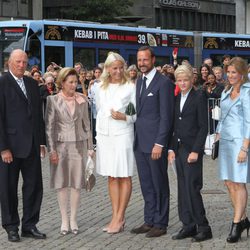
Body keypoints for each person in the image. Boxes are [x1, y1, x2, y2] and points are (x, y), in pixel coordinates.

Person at [0, 49, 46, 242]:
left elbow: (38, 116)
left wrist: (42, 142)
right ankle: (11, 227)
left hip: (33, 146)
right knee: (8, 189)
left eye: (24, 62)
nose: (21, 65)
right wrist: (3, 148)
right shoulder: (2, 83)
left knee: (34, 187)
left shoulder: (32, 83)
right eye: (18, 62)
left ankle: (29, 225)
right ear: (9, 62)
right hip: (10, 148)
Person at [131, 46, 174, 238]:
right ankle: (149, 220)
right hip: (140, 143)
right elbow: (138, 112)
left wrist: (160, 143)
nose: (142, 63)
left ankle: (161, 222)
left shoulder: (163, 83)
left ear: (153, 60)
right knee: (146, 185)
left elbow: (166, 117)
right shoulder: (139, 81)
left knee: (159, 184)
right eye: (139, 60)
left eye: (145, 60)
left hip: (155, 144)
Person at [45, 67, 93, 236]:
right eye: (70, 82)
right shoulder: (52, 100)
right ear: (62, 83)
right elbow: (49, 128)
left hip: (79, 146)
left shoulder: (83, 100)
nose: (74, 85)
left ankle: (73, 218)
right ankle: (64, 220)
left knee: (77, 183)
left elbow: (87, 125)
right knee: (61, 183)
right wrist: (52, 150)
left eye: (75, 82)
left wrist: (90, 148)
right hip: (60, 147)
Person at [168, 64, 213, 242]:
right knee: (181, 188)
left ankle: (203, 226)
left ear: (192, 79)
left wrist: (196, 150)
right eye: (179, 80)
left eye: (185, 80)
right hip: (178, 150)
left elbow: (204, 126)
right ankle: (188, 225)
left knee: (192, 188)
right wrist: (171, 149)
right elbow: (174, 126)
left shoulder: (199, 96)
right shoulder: (177, 98)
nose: (183, 83)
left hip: (192, 150)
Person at [95, 52, 136, 234]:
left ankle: (120, 217)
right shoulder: (100, 87)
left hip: (123, 134)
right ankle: (115, 215)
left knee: (124, 175)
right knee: (112, 176)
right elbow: (98, 111)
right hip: (105, 136)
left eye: (121, 68)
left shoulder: (130, 87)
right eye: (114, 68)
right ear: (108, 69)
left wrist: (124, 117)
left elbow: (134, 114)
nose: (118, 71)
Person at [215, 57, 250, 243]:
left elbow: (249, 122)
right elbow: (221, 117)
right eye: (228, 72)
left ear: (242, 73)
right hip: (226, 142)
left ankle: (236, 223)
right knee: (228, 182)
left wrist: (245, 148)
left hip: (240, 143)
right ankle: (244, 219)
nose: (230, 75)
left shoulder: (247, 92)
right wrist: (218, 134)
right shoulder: (226, 90)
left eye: (234, 72)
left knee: (239, 183)